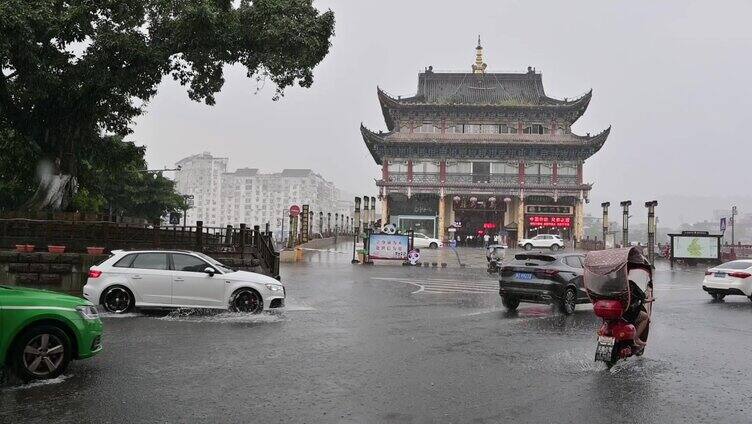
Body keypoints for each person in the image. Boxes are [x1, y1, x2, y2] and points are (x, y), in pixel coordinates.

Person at [624, 279, 652, 347]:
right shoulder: (630, 284)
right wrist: (648, 291)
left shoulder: (609, 283)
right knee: (645, 317)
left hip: (609, 314)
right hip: (625, 313)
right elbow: (642, 296)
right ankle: (636, 338)